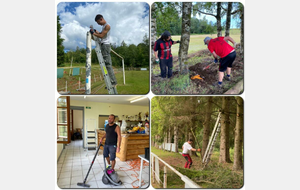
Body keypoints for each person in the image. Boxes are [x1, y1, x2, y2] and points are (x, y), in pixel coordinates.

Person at [90, 14, 117, 86]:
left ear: (101, 19)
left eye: (98, 22)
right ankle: (110, 81)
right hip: (103, 45)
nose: (98, 24)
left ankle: (113, 81)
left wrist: (93, 33)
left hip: (105, 46)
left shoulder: (107, 26)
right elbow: (101, 34)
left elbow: (101, 36)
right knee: (105, 64)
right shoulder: (104, 27)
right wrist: (96, 31)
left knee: (108, 65)